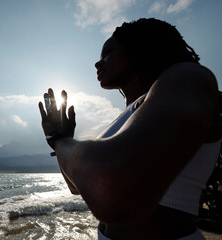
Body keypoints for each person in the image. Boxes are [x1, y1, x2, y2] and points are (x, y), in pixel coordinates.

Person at [38, 18, 221, 240]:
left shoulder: (188, 77)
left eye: (108, 53)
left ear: (141, 48)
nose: (98, 63)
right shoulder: (129, 114)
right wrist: (61, 140)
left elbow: (109, 191)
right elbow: (77, 187)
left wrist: (60, 140)